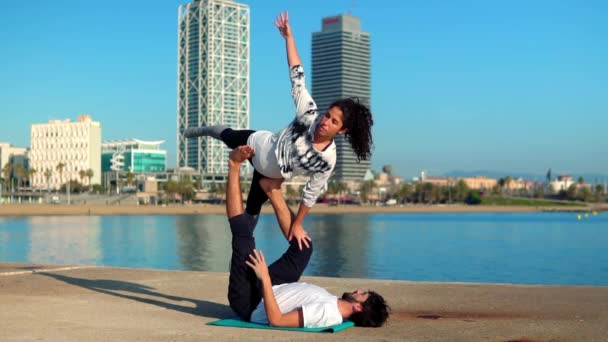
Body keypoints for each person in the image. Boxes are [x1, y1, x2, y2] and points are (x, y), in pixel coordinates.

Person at [184, 11, 374, 250]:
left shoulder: (327, 160)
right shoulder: (309, 114)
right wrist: (289, 38)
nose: (325, 121)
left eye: (334, 122)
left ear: (343, 130)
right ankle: (201, 129)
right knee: (225, 135)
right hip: (256, 144)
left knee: (249, 221)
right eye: (328, 115)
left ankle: (242, 269)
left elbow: (311, 193)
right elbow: (297, 75)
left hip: (268, 177)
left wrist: (299, 223)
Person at [225, 145, 389, 328]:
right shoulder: (334, 304)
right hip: (272, 287)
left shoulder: (327, 313)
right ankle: (272, 190)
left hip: (250, 301)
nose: (358, 290)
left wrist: (264, 277)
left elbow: (276, 320)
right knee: (304, 247)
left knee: (243, 234)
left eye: (362, 293)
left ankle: (234, 164)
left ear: (358, 307)